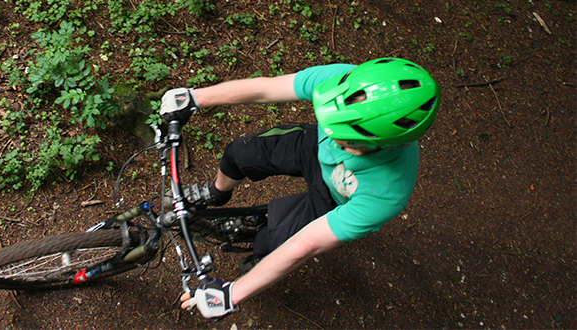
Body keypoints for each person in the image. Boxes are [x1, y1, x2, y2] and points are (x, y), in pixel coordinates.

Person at [159, 58, 441, 319]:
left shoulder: (385, 192)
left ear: (389, 144)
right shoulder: (344, 82)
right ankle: (217, 193)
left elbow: (307, 244)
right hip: (310, 146)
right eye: (333, 126)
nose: (335, 140)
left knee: (271, 243)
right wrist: (194, 98)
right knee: (240, 154)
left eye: (348, 141)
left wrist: (233, 293)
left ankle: (259, 244)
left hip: (333, 198)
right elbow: (265, 89)